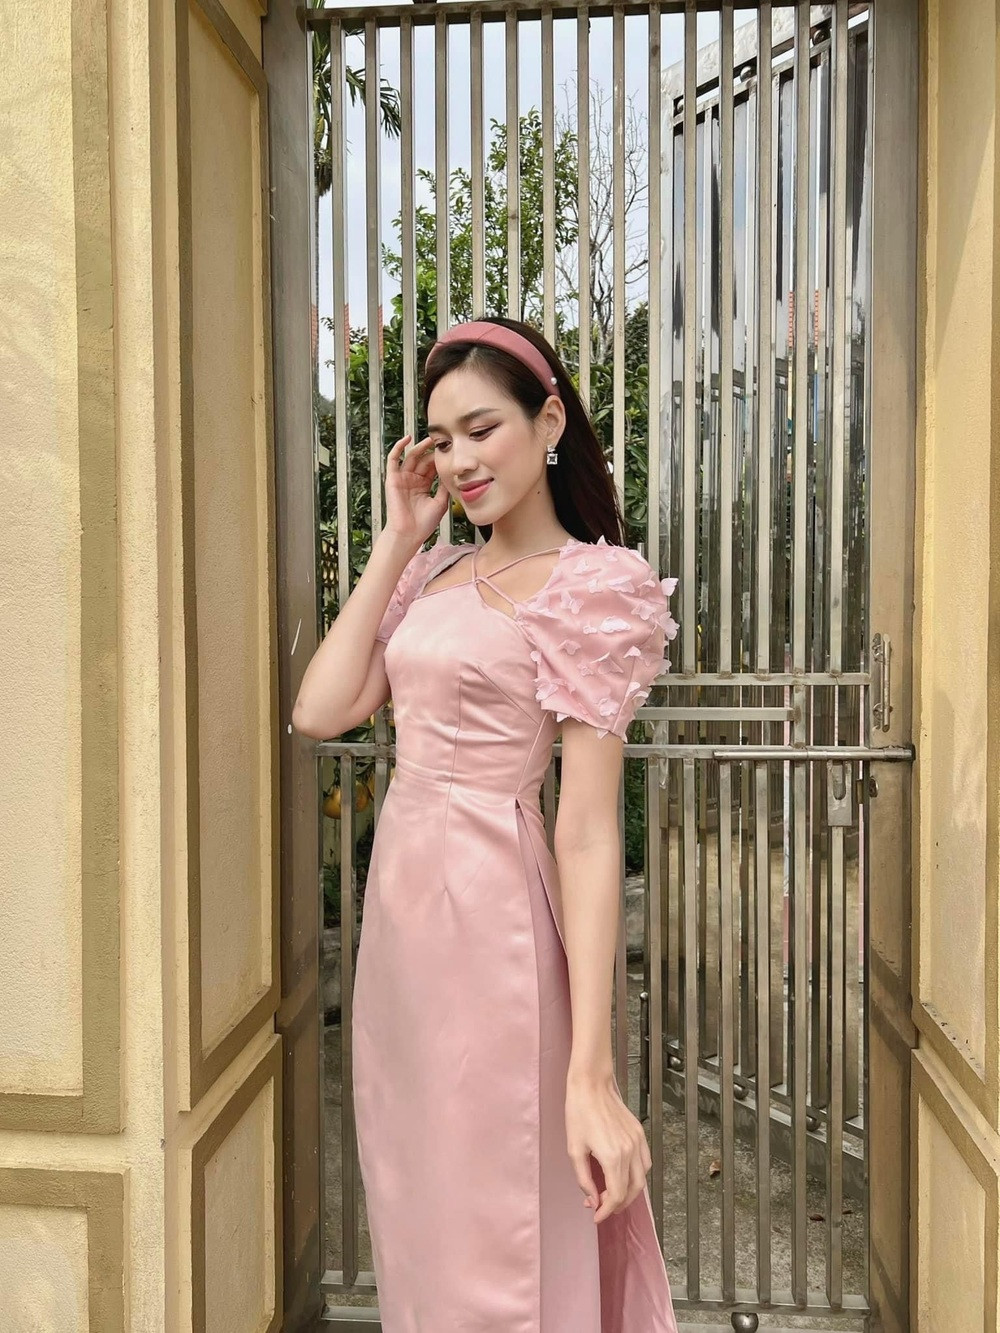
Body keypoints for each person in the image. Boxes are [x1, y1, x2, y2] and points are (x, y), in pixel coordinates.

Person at [293, 317, 680, 1331]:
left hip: (499, 926)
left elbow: (586, 831)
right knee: (418, 1202)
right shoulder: (431, 573)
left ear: (548, 422)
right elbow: (320, 709)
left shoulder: (595, 586)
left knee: (499, 1216)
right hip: (403, 939)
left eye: (481, 429)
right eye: (441, 438)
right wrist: (397, 539)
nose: (460, 461)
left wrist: (591, 1071)